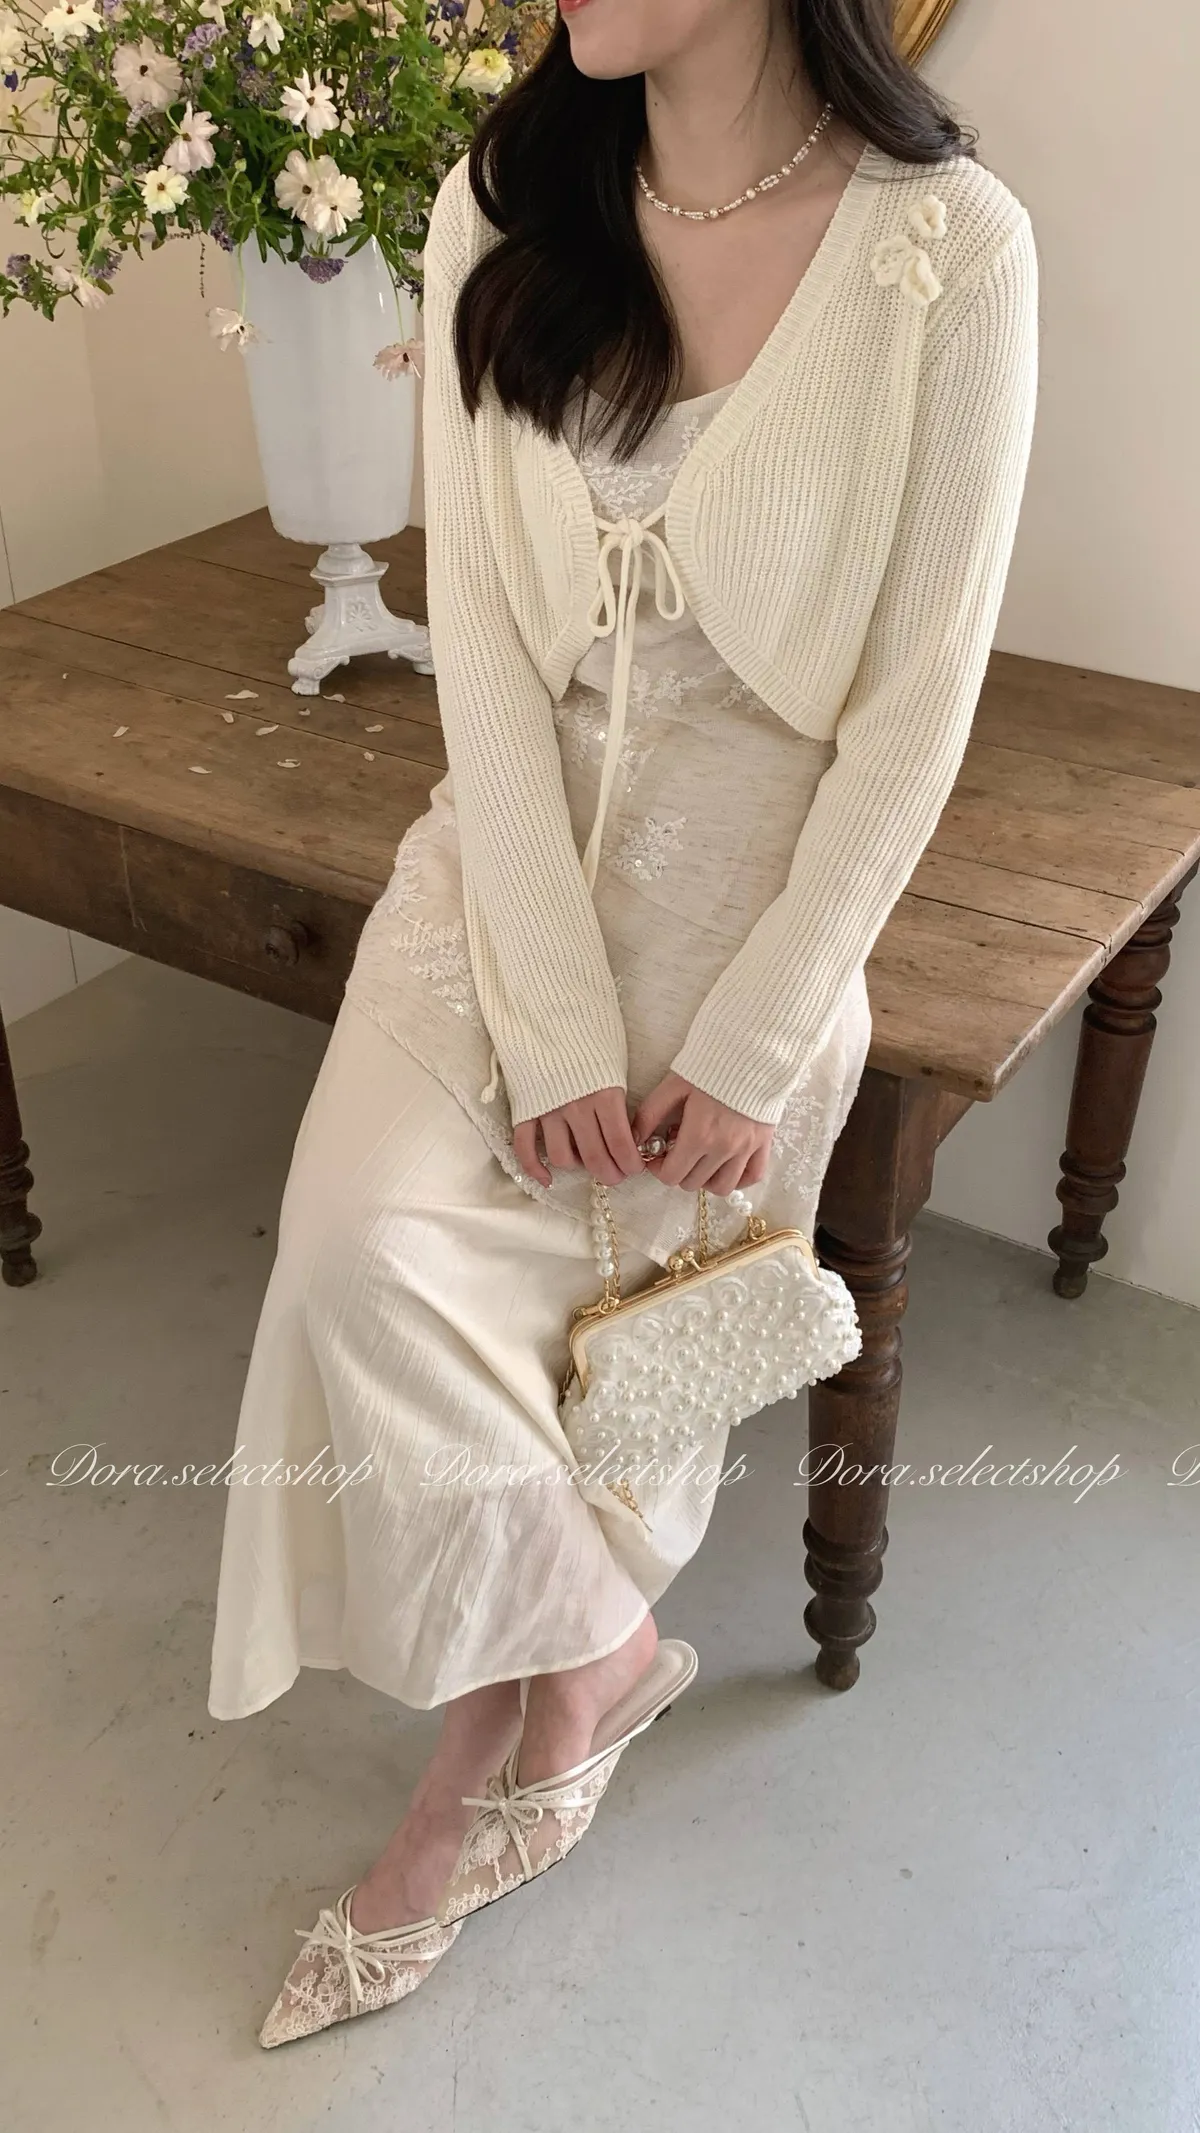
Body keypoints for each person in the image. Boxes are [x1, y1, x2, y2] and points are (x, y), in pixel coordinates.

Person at [207, 0, 1040, 2047]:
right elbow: (485, 639)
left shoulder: (950, 251)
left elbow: (917, 711)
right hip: (503, 881)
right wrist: (552, 1010)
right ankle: (593, 1658)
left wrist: (753, 1039)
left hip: (754, 930)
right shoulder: (501, 200)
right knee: (357, 1261)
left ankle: (463, 1791)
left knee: (599, 1378)